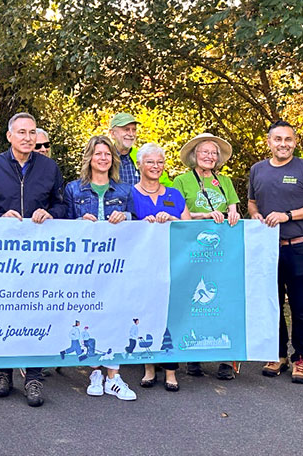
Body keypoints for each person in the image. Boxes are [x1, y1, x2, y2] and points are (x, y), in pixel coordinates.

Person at [0, 112, 66, 407]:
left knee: (35, 311)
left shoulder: (50, 168)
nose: (27, 137)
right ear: (9, 136)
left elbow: (62, 206)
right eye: (21, 132)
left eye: (32, 132)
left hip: (40, 256)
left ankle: (33, 376)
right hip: (2, 256)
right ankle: (4, 372)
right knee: (5, 311)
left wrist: (50, 214)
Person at [248, 120, 303, 383]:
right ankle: (278, 354)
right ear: (269, 142)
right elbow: (251, 203)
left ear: (295, 142)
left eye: (288, 139)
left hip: (299, 247)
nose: (283, 144)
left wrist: (288, 215)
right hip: (267, 249)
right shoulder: (257, 170)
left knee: (300, 304)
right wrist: (256, 215)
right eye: (278, 139)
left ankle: (301, 358)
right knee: (273, 304)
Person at [63, 135, 136, 401]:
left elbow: (140, 223)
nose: (103, 158)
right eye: (98, 154)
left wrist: (125, 216)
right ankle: (95, 371)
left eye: (107, 154)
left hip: (117, 266)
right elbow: (63, 225)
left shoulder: (126, 190)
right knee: (90, 315)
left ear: (113, 159)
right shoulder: (73, 189)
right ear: (89, 158)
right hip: (86, 265)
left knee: (117, 313)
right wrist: (79, 221)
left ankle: (114, 376)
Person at [172, 133, 240, 380]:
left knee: (222, 297)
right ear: (194, 156)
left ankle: (226, 358)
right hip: (192, 249)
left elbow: (233, 208)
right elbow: (181, 213)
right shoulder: (180, 181)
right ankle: (193, 355)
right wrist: (206, 216)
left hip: (223, 251)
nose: (210, 156)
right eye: (204, 152)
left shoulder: (225, 182)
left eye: (214, 153)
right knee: (194, 297)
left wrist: (232, 215)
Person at [132, 142, 193, 391]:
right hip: (142, 266)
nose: (155, 166)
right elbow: (121, 226)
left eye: (159, 162)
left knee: (171, 316)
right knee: (146, 314)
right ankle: (148, 368)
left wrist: (174, 219)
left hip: (172, 264)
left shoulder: (173, 195)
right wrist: (140, 224)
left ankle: (170, 371)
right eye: (150, 162)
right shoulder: (129, 194)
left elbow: (189, 227)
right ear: (140, 165)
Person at [108, 112, 172, 186]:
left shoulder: (143, 156)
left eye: (134, 130)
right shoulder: (104, 158)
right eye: (126, 129)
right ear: (112, 134)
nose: (131, 134)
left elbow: (166, 185)